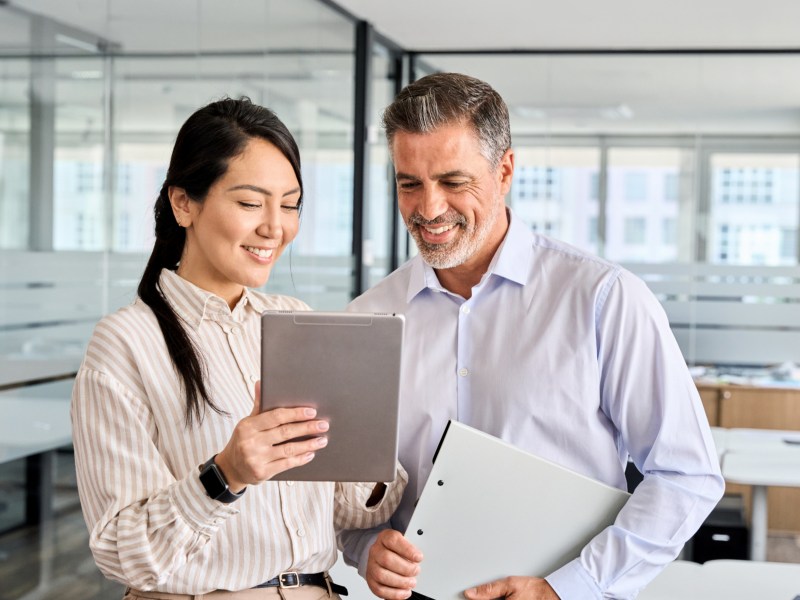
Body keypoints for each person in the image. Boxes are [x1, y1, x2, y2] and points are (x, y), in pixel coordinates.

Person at [338, 73, 724, 600]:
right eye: (409, 183)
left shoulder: (603, 299)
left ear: (505, 170)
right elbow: (349, 498)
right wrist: (365, 547)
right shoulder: (368, 319)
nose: (428, 209)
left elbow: (686, 474)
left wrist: (569, 587)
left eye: (453, 182)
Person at [71, 97, 406, 600]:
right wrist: (225, 474)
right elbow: (122, 552)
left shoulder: (294, 318)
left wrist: (368, 444)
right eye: (251, 203)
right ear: (183, 202)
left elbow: (355, 511)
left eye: (290, 204)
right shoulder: (125, 344)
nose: (275, 227)